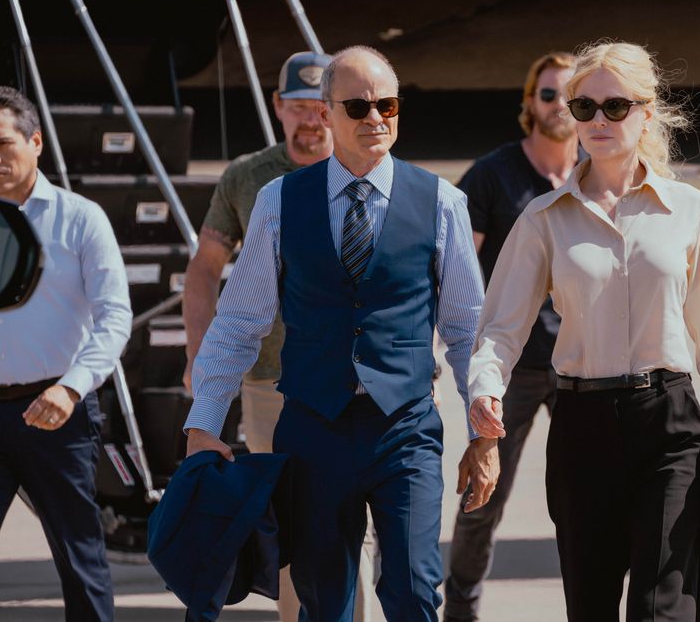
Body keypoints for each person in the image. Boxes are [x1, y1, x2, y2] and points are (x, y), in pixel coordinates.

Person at [183, 46, 496, 621]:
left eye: (388, 104)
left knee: (413, 590)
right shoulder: (279, 202)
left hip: (403, 428)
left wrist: (484, 422)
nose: (376, 117)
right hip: (311, 429)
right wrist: (204, 422)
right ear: (326, 115)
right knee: (324, 601)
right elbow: (239, 322)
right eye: (357, 106)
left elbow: (464, 328)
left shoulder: (442, 202)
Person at [466, 42, 700, 621]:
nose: (598, 121)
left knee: (660, 609)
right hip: (581, 430)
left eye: (615, 106)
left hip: (670, 426)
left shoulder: (690, 210)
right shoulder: (542, 218)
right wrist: (483, 391)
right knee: (591, 608)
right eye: (584, 107)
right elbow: (499, 328)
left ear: (647, 112)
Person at [182, 50, 381, 622]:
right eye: (296, 107)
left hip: (354, 379)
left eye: (318, 108)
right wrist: (201, 355)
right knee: (292, 523)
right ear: (278, 107)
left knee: (354, 526)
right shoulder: (247, 176)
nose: (309, 121)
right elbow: (204, 266)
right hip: (270, 380)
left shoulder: (367, 166)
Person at [443, 51, 579, 622]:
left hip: (583, 365)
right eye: (547, 95)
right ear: (529, 103)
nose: (559, 106)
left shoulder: (596, 173)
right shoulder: (494, 174)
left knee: (588, 499)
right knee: (484, 495)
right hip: (515, 366)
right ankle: (461, 606)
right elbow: (451, 266)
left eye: (570, 96)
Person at [0, 86, 132, 621]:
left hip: (57, 413)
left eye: (3, 142)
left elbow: (115, 315)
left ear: (36, 142)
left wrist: (71, 386)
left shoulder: (80, 218)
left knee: (80, 558)